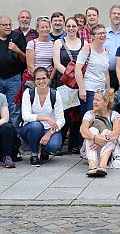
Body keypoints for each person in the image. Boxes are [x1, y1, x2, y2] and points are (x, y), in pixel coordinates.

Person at [21, 67, 65, 166]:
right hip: (30, 128)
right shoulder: (28, 93)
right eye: (38, 79)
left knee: (54, 146)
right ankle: (34, 155)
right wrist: (46, 118)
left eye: (44, 78)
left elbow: (61, 120)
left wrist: (49, 133)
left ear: (48, 79)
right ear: (34, 81)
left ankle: (45, 150)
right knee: (36, 126)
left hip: (49, 128)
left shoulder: (55, 94)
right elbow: (25, 116)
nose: (41, 81)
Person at [52, 17, 83, 154]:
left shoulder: (84, 43)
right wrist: (70, 74)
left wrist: (77, 77)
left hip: (79, 84)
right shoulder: (59, 43)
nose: (71, 28)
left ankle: (74, 144)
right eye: (68, 26)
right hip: (64, 83)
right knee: (63, 113)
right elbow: (57, 63)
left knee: (76, 115)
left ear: (78, 27)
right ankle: (58, 143)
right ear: (65, 27)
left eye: (74, 26)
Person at [80, 88, 120, 176]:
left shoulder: (115, 115)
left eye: (98, 100)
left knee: (108, 132)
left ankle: (103, 165)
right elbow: (83, 130)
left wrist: (103, 139)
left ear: (106, 103)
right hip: (91, 146)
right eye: (94, 99)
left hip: (108, 149)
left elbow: (117, 131)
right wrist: (95, 138)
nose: (94, 102)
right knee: (92, 130)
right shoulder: (89, 114)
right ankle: (92, 165)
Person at [75, 24, 111, 118]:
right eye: (99, 33)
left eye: (104, 33)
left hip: (101, 91)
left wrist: (108, 90)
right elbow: (78, 68)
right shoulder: (87, 49)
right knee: (89, 118)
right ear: (93, 36)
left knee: (100, 118)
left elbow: (106, 72)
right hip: (89, 89)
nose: (102, 35)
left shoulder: (106, 51)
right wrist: (82, 89)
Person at [105, 5, 120, 90]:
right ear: (110, 16)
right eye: (114, 13)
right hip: (107, 75)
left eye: (119, 14)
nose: (116, 16)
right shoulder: (103, 33)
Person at [25, 16, 54, 81]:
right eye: (42, 27)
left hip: (48, 78)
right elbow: (30, 66)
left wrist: (49, 79)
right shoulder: (32, 44)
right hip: (34, 78)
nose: (45, 29)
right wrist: (39, 79)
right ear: (37, 29)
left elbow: (55, 65)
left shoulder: (53, 44)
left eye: (47, 27)